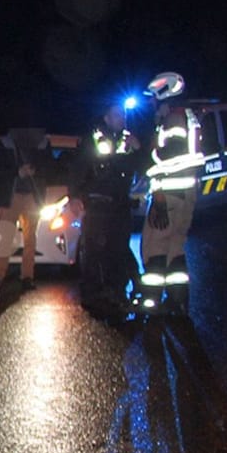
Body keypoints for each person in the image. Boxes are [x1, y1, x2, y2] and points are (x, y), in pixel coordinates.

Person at [140, 79, 203, 312]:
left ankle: (151, 300)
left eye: (154, 100)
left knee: (154, 247)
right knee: (175, 248)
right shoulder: (189, 117)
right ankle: (178, 300)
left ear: (165, 98)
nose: (152, 105)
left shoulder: (173, 120)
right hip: (185, 195)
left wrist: (149, 149)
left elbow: (170, 155)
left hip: (169, 195)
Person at [78, 103, 143, 315]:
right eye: (117, 115)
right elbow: (81, 167)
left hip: (120, 203)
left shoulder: (127, 139)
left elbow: (138, 166)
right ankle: (93, 295)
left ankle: (117, 293)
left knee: (118, 249)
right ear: (106, 117)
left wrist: (138, 149)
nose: (122, 118)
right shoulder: (96, 138)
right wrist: (74, 196)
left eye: (123, 115)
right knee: (95, 251)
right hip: (98, 204)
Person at [0, 135, 42, 289]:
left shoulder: (41, 142)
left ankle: (27, 277)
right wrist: (17, 172)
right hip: (11, 195)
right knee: (5, 237)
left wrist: (36, 170)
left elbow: (49, 166)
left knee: (30, 238)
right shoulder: (5, 143)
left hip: (32, 195)